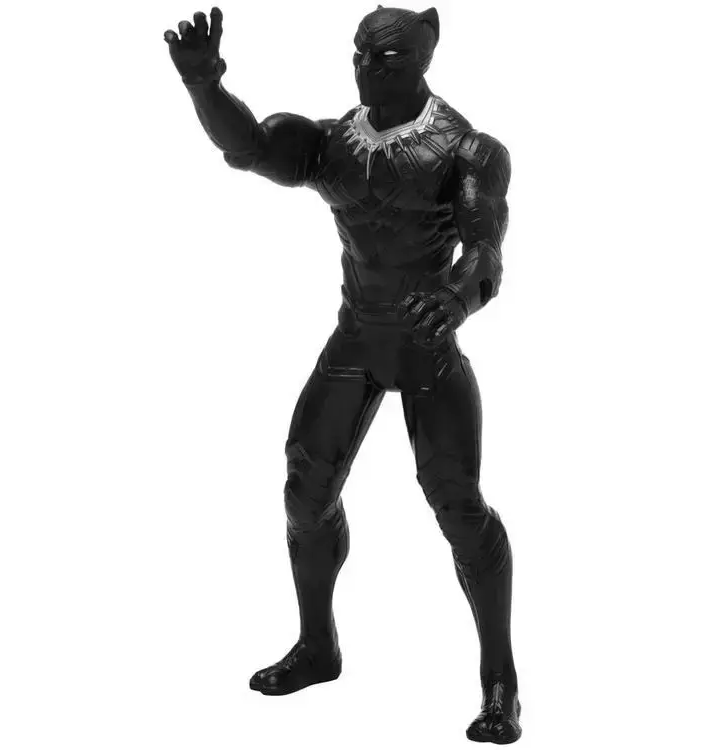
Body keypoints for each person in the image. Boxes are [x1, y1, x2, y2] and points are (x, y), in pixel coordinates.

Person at [165, 6, 520, 743]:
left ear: (422, 60)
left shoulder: (468, 151)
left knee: (457, 504)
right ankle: (318, 646)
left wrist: (455, 299)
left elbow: (486, 252)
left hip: (428, 347)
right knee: (305, 486)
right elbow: (252, 145)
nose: (366, 66)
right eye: (359, 52)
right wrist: (206, 85)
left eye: (385, 57)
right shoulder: (333, 145)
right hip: (357, 337)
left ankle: (500, 680)